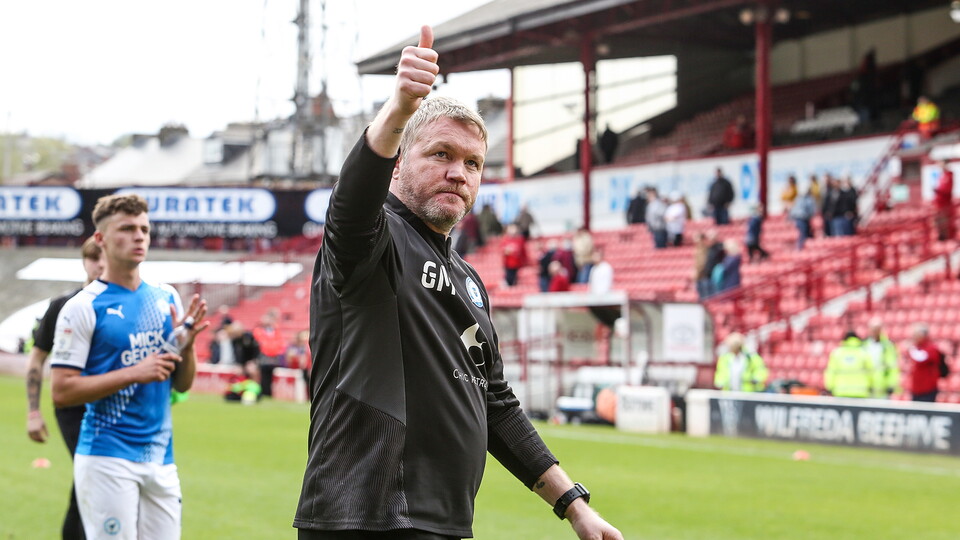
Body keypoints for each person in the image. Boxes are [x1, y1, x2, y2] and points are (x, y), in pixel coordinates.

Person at [293, 26, 622, 540]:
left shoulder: (468, 280)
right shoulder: (374, 242)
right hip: (364, 518)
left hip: (445, 523)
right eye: (441, 155)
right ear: (399, 163)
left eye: (473, 164)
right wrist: (400, 108)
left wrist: (574, 505)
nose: (459, 173)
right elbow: (350, 206)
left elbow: (495, 403)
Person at [49, 193, 209, 540]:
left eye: (144, 229)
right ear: (101, 239)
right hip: (107, 457)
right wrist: (135, 372)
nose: (139, 236)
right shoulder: (82, 308)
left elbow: (180, 385)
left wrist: (189, 344)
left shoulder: (165, 296)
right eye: (126, 228)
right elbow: (62, 392)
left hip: (160, 457)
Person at [25, 237, 104, 540]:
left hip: (112, 405)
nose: (99, 264)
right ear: (84, 261)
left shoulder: (122, 305)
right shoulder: (63, 306)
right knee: (92, 472)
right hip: (73, 407)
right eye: (93, 258)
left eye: (103, 258)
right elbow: (37, 359)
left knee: (88, 479)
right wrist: (33, 411)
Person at [823, 331, 875, 398]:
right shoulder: (863, 353)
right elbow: (871, 373)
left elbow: (831, 372)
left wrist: (829, 387)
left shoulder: (837, 353)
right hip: (860, 392)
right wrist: (871, 386)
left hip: (841, 391)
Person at [905, 323, 944, 402]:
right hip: (916, 388)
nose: (914, 337)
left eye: (916, 334)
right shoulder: (917, 347)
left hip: (928, 389)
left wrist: (911, 349)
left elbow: (921, 359)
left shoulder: (931, 348)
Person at [253, 309, 287, 398]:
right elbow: (261, 343)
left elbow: (280, 343)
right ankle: (263, 393)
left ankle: (268, 393)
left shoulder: (276, 330)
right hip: (264, 356)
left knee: (270, 376)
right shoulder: (259, 330)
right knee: (263, 376)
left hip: (273, 356)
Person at [863, 318, 900, 398]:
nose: (875, 332)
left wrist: (891, 384)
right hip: (867, 386)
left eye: (877, 329)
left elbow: (893, 367)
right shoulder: (864, 345)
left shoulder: (888, 346)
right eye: (873, 329)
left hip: (883, 386)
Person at [933, 161, 954, 241]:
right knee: (939, 222)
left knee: (944, 222)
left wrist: (938, 191)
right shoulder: (942, 176)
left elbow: (947, 190)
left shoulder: (948, 176)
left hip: (944, 204)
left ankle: (947, 239)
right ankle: (942, 238)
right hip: (939, 203)